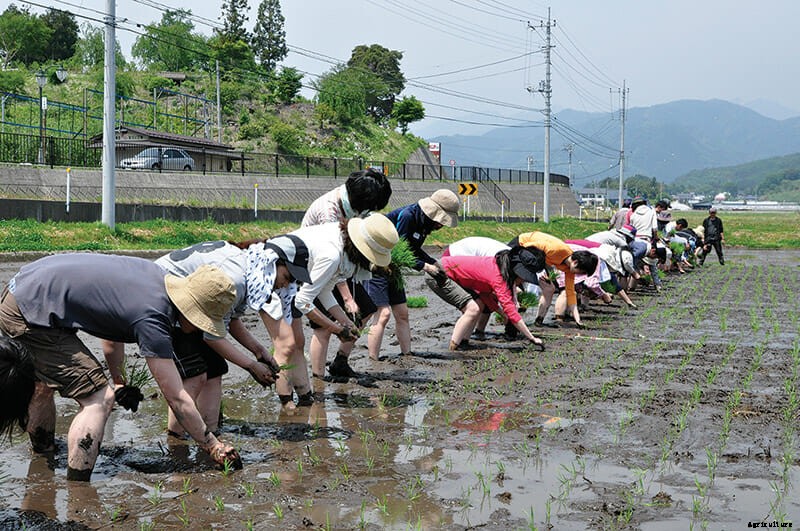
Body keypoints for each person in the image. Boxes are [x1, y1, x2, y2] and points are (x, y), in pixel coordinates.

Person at [0, 255, 241, 481]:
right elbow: (177, 397)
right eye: (201, 323)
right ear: (191, 310)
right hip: (30, 311)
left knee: (44, 384)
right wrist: (212, 445)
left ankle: (44, 455)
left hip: (22, 292)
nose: (200, 330)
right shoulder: (154, 318)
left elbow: (111, 330)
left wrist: (120, 381)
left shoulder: (156, 278)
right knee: (98, 398)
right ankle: (78, 487)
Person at [135, 235, 310, 432]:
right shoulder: (235, 279)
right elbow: (213, 336)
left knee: (214, 369)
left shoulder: (249, 269)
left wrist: (259, 350)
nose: (285, 286)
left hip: (191, 309)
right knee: (194, 375)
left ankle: (209, 432)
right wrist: (251, 366)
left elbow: (227, 319)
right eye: (286, 277)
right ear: (271, 262)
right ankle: (177, 442)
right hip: (163, 302)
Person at [301, 169, 392, 379]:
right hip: (317, 267)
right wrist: (347, 297)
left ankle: (340, 361)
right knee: (323, 327)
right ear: (363, 201)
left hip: (342, 263)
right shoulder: (329, 210)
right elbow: (330, 255)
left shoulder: (358, 206)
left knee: (367, 309)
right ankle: (318, 379)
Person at [291, 214, 398, 384]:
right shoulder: (332, 255)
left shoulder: (341, 245)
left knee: (292, 344)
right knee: (289, 345)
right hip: (276, 277)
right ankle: (308, 391)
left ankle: (313, 386)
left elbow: (325, 289)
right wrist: (337, 329)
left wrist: (345, 322)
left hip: (291, 278)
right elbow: (303, 301)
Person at [365, 189, 460, 360]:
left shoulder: (424, 224)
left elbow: (413, 249)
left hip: (393, 268)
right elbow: (397, 251)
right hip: (376, 265)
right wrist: (425, 267)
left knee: (402, 313)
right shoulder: (408, 216)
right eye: (440, 221)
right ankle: (373, 360)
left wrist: (434, 262)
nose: (440, 225)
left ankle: (407, 355)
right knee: (383, 314)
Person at [425, 247, 546, 351]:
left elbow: (485, 296)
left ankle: (464, 342)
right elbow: (511, 310)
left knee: (479, 305)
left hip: (445, 271)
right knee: (473, 309)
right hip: (438, 274)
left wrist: (502, 313)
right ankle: (454, 347)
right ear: (517, 271)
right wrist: (531, 338)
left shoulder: (498, 266)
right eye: (524, 277)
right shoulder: (498, 277)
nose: (524, 280)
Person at [510, 231, 599, 327]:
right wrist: (539, 270)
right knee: (513, 285)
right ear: (575, 262)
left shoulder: (569, 270)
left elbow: (570, 293)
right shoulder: (557, 250)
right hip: (520, 245)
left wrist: (578, 319)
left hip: (539, 259)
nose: (579, 275)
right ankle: (511, 319)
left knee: (549, 289)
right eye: (581, 272)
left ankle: (538, 321)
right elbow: (528, 245)